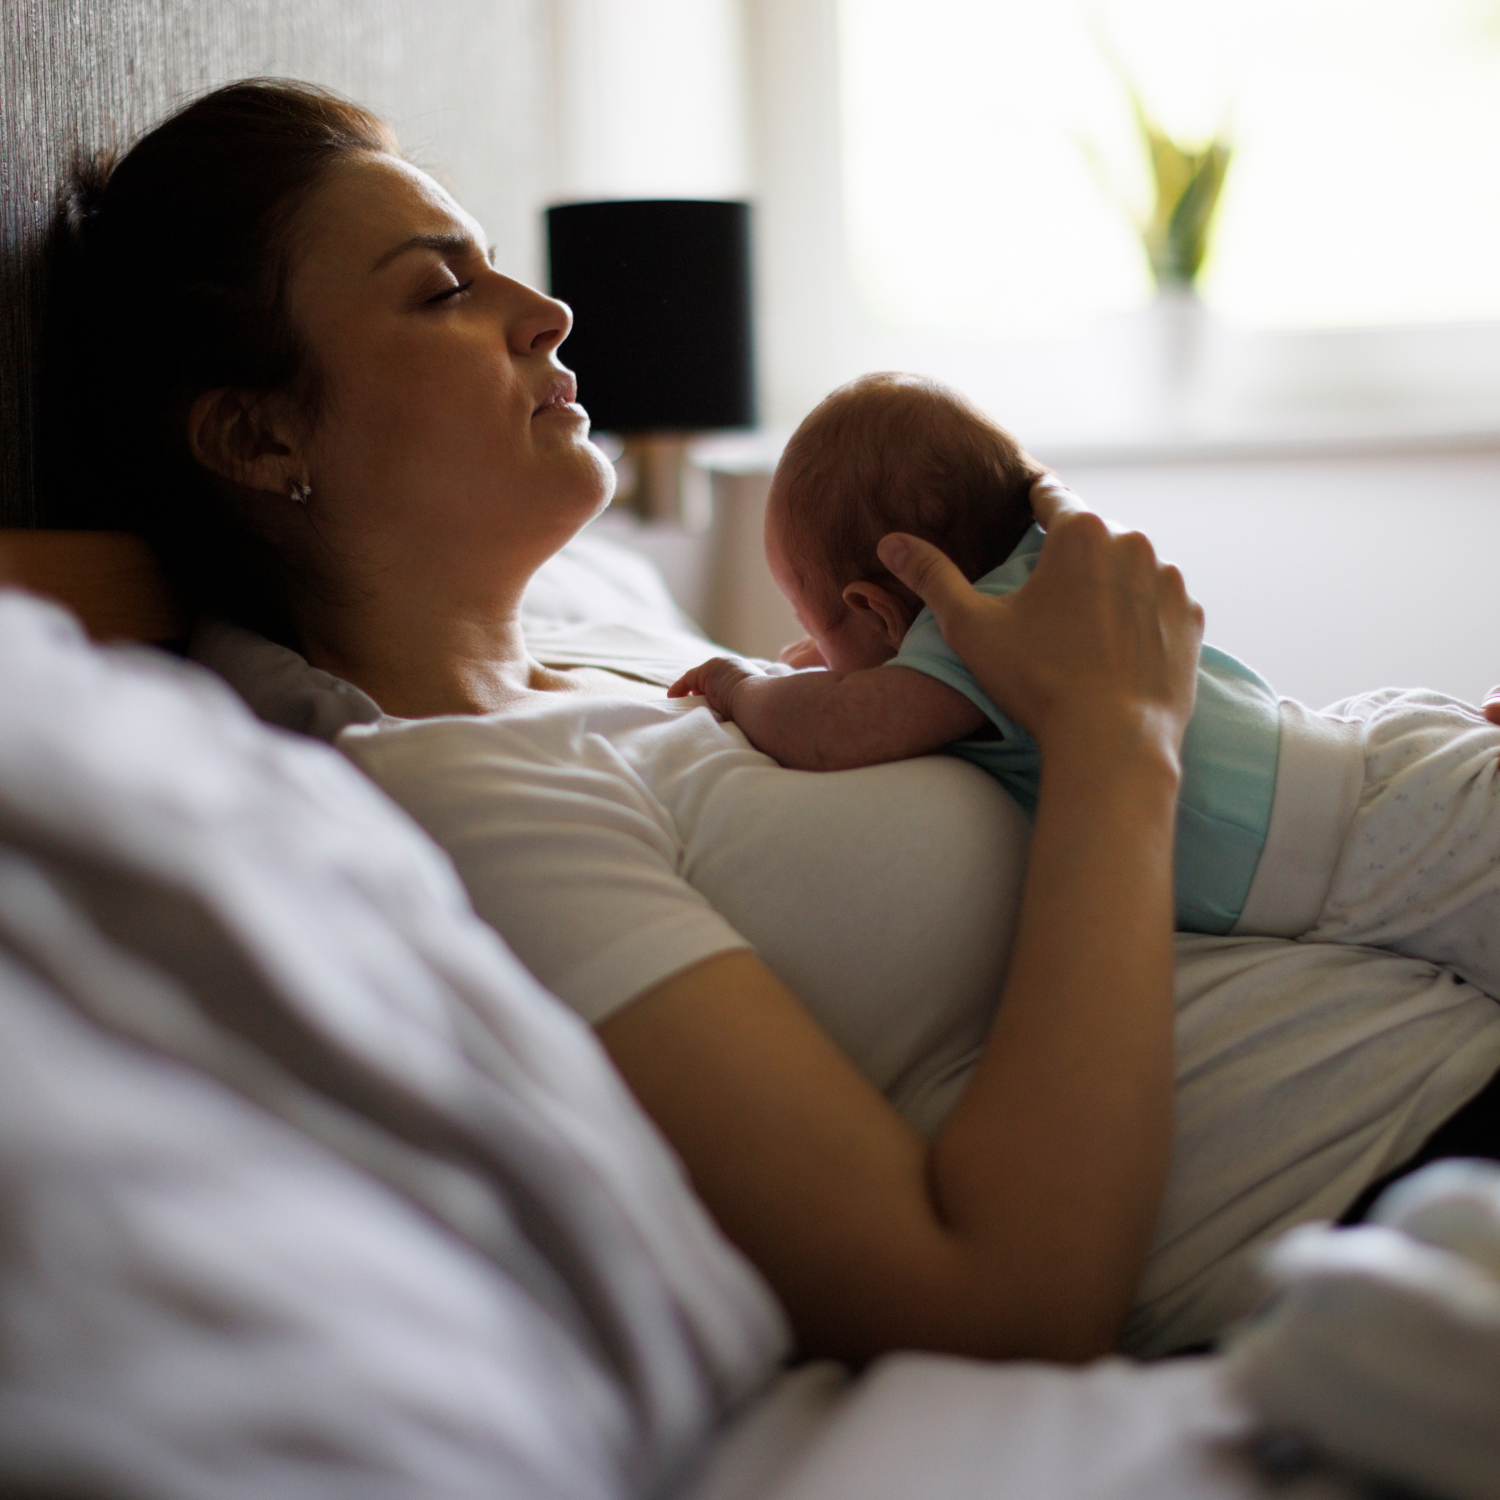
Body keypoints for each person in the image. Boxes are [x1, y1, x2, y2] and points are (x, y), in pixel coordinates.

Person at [46, 79, 1500, 1365]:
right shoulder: (464, 803)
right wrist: (1123, 738)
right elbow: (989, 1300)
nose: (546, 311)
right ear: (260, 435)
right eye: (442, 291)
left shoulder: (613, 650)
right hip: (1403, 1178)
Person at [671, 373, 1500, 993]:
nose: (804, 656)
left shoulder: (976, 641)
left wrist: (740, 686)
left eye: (816, 632)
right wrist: (829, 653)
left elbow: (836, 729)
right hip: (1378, 760)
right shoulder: (1044, 585)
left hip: (1366, 845)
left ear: (877, 610)